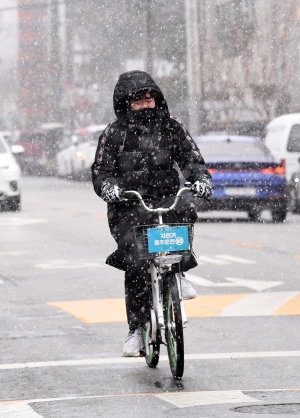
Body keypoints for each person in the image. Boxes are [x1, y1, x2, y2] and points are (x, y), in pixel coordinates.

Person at [92, 70, 213, 357]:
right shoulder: (113, 134)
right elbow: (101, 171)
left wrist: (201, 179)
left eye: (150, 100)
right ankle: (136, 329)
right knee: (136, 259)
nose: (146, 105)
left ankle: (179, 271)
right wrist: (109, 188)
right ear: (126, 104)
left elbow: (191, 159)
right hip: (129, 205)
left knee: (183, 210)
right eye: (139, 101)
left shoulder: (173, 128)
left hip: (166, 197)